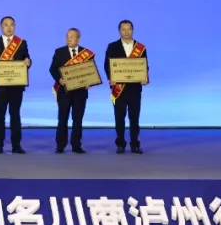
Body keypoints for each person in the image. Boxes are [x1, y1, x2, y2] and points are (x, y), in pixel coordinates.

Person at [0, 15, 31, 155]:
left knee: (15, 116)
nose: (9, 27)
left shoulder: (21, 43)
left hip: (16, 86)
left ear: (15, 26)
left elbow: (27, 60)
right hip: (0, 87)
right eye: (6, 25)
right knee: (0, 116)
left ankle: (16, 145)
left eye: (12, 24)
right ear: (1, 27)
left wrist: (28, 62)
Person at [104, 19, 148, 154]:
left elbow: (144, 66)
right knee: (119, 118)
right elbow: (107, 65)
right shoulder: (112, 46)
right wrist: (111, 78)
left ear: (132, 30)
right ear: (119, 31)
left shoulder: (140, 48)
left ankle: (135, 144)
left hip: (135, 89)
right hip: (119, 88)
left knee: (134, 118)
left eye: (129, 29)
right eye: (123, 29)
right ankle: (120, 144)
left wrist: (145, 77)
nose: (126, 32)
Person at [50, 27, 94, 154]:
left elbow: (90, 72)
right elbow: (52, 69)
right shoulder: (59, 52)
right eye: (67, 37)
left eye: (72, 37)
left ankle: (76, 145)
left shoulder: (85, 54)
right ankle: (60, 145)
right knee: (62, 119)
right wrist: (59, 79)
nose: (69, 39)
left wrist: (89, 82)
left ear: (78, 38)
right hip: (64, 92)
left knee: (77, 120)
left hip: (80, 92)